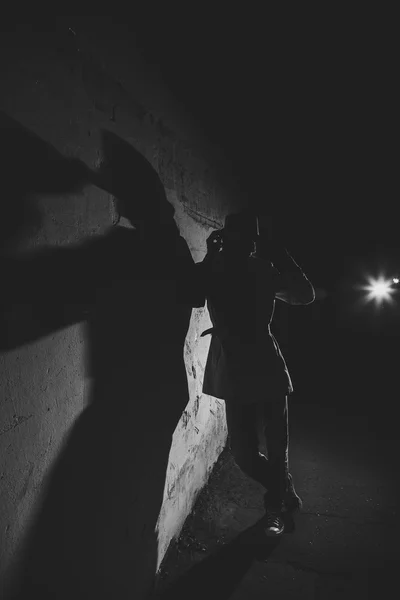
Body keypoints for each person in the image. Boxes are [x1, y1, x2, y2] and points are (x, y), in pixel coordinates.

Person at [196, 211, 315, 536]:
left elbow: (304, 294)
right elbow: (193, 293)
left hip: (265, 360)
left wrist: (279, 253)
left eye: (250, 240)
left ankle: (274, 508)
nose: (246, 245)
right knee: (243, 451)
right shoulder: (215, 268)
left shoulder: (263, 270)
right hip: (233, 366)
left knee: (278, 443)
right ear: (226, 239)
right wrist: (209, 256)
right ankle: (283, 486)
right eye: (240, 238)